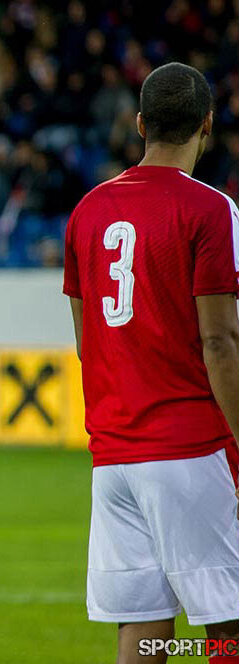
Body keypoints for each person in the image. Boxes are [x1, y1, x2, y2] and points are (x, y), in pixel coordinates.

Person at [64, 62, 239, 664]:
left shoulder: (88, 210)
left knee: (142, 630)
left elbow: (87, 342)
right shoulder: (212, 209)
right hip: (190, 449)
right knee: (229, 625)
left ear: (139, 123)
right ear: (208, 125)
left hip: (114, 459)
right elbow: (221, 343)